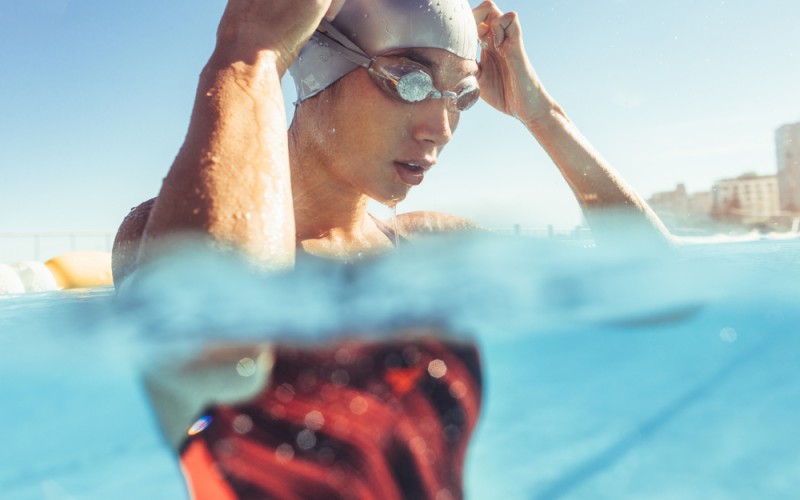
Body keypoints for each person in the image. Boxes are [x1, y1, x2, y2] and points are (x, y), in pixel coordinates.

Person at [113, 0, 673, 498]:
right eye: (408, 78)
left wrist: (540, 113)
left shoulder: (431, 248)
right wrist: (249, 51)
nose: (442, 126)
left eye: (462, 96)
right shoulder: (156, 232)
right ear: (314, 63)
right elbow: (214, 354)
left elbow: (659, 292)